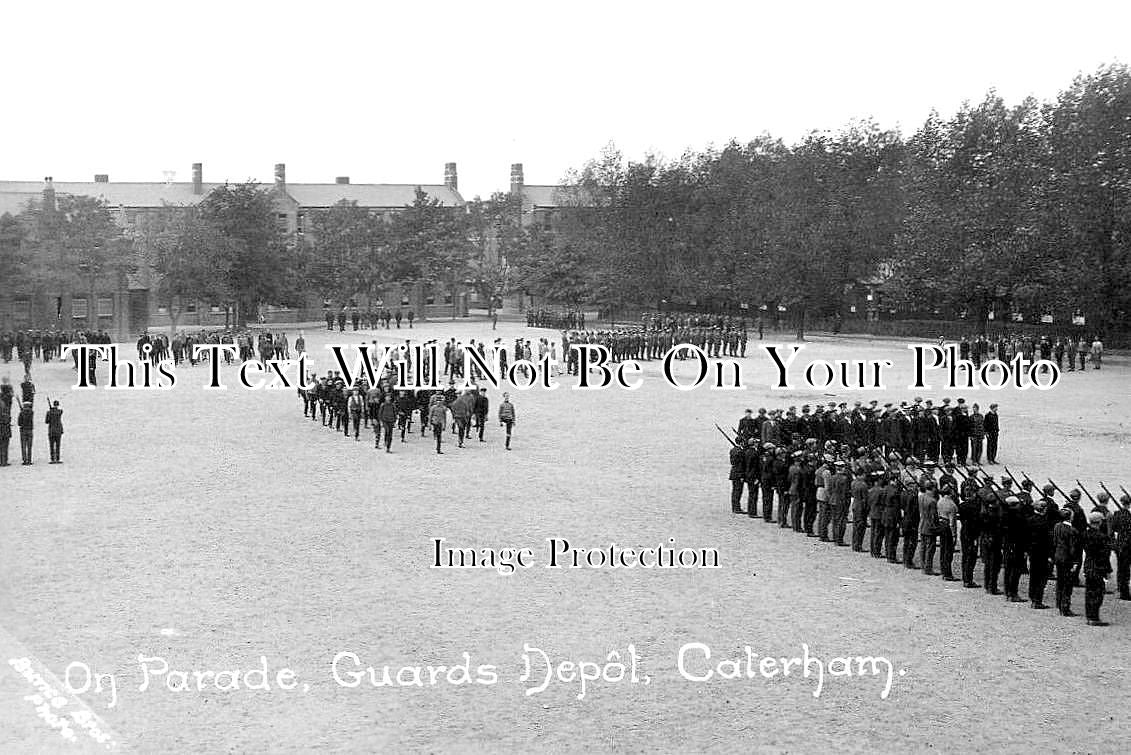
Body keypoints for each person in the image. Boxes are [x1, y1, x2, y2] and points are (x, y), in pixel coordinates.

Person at [1082, 511, 1113, 626]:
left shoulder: (1085, 534)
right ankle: (1094, 617)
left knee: (1089, 591)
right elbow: (1104, 556)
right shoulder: (1102, 537)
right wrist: (1108, 570)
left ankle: (1090, 615)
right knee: (1098, 592)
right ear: (1099, 522)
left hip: (1088, 564)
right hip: (1098, 567)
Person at [1052, 508, 1079, 616]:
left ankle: (1059, 603)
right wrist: (1075, 562)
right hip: (1067, 558)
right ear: (1070, 517)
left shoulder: (1057, 526)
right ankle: (1065, 607)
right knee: (1068, 584)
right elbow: (1073, 548)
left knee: (1060, 581)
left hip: (1058, 556)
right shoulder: (1073, 530)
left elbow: (1054, 542)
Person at [1111, 493, 1131, 601]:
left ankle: (1120, 587)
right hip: (1127, 546)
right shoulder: (1129, 516)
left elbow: (1113, 529)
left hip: (1119, 544)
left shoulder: (1116, 514)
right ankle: (1125, 592)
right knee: (1126, 570)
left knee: (1120, 568)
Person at [17, 398, 34, 465]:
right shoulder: (31, 412)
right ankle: (29, 460)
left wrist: (22, 413)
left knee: (23, 446)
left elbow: (19, 423)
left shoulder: (21, 413)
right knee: (29, 446)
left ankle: (24, 460)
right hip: (30, 430)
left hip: (23, 430)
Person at [0, 376, 11, 467]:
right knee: (5, 447)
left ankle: (1, 461)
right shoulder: (6, 416)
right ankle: (4, 461)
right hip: (5, 433)